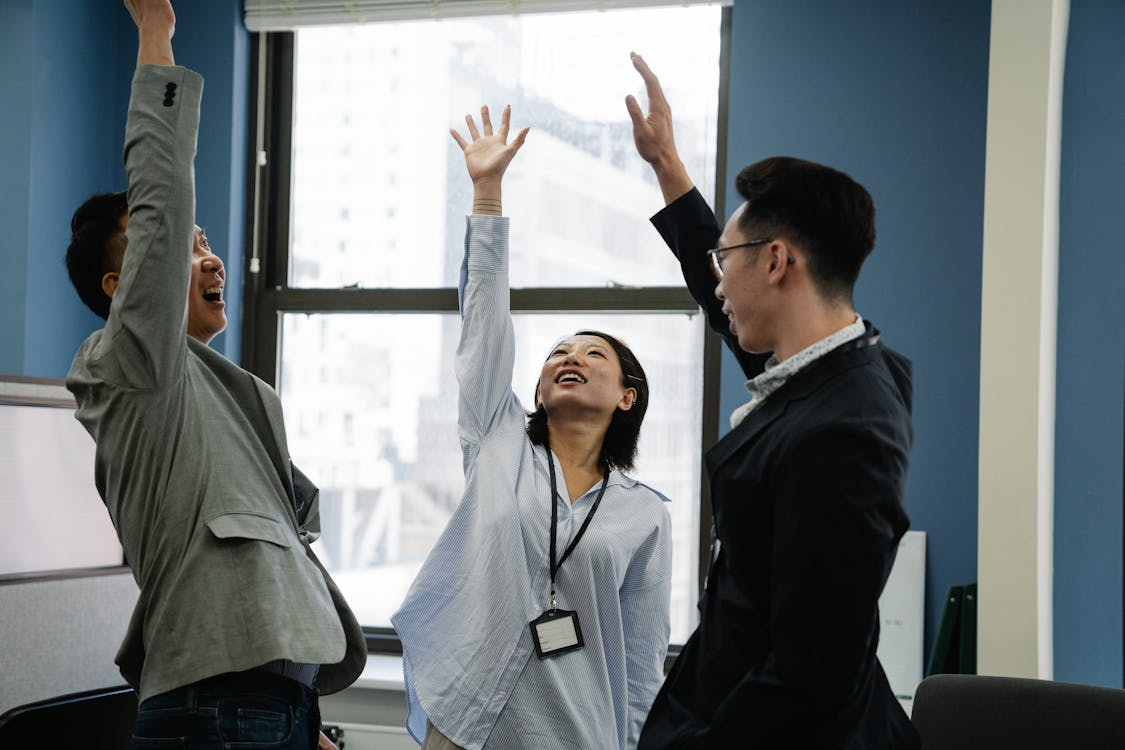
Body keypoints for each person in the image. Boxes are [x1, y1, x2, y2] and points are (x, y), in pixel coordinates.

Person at [64, 3, 365, 748]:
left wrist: (306, 717)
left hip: (273, 701)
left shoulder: (228, 393)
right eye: (181, 248)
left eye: (208, 244)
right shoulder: (126, 364)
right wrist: (155, 35)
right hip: (217, 707)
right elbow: (163, 198)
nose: (208, 257)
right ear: (121, 286)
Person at [624, 53, 920, 749]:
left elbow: (808, 674)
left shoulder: (845, 429)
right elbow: (722, 296)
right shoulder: (836, 366)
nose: (716, 282)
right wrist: (667, 165)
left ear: (777, 262)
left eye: (726, 260)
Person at [391, 105, 673, 750]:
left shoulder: (645, 517)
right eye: (557, 354)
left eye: (592, 354)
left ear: (628, 398)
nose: (569, 357)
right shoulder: (498, 445)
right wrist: (487, 194)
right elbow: (484, 320)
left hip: (576, 734)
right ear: (540, 390)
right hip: (466, 725)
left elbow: (640, 658)